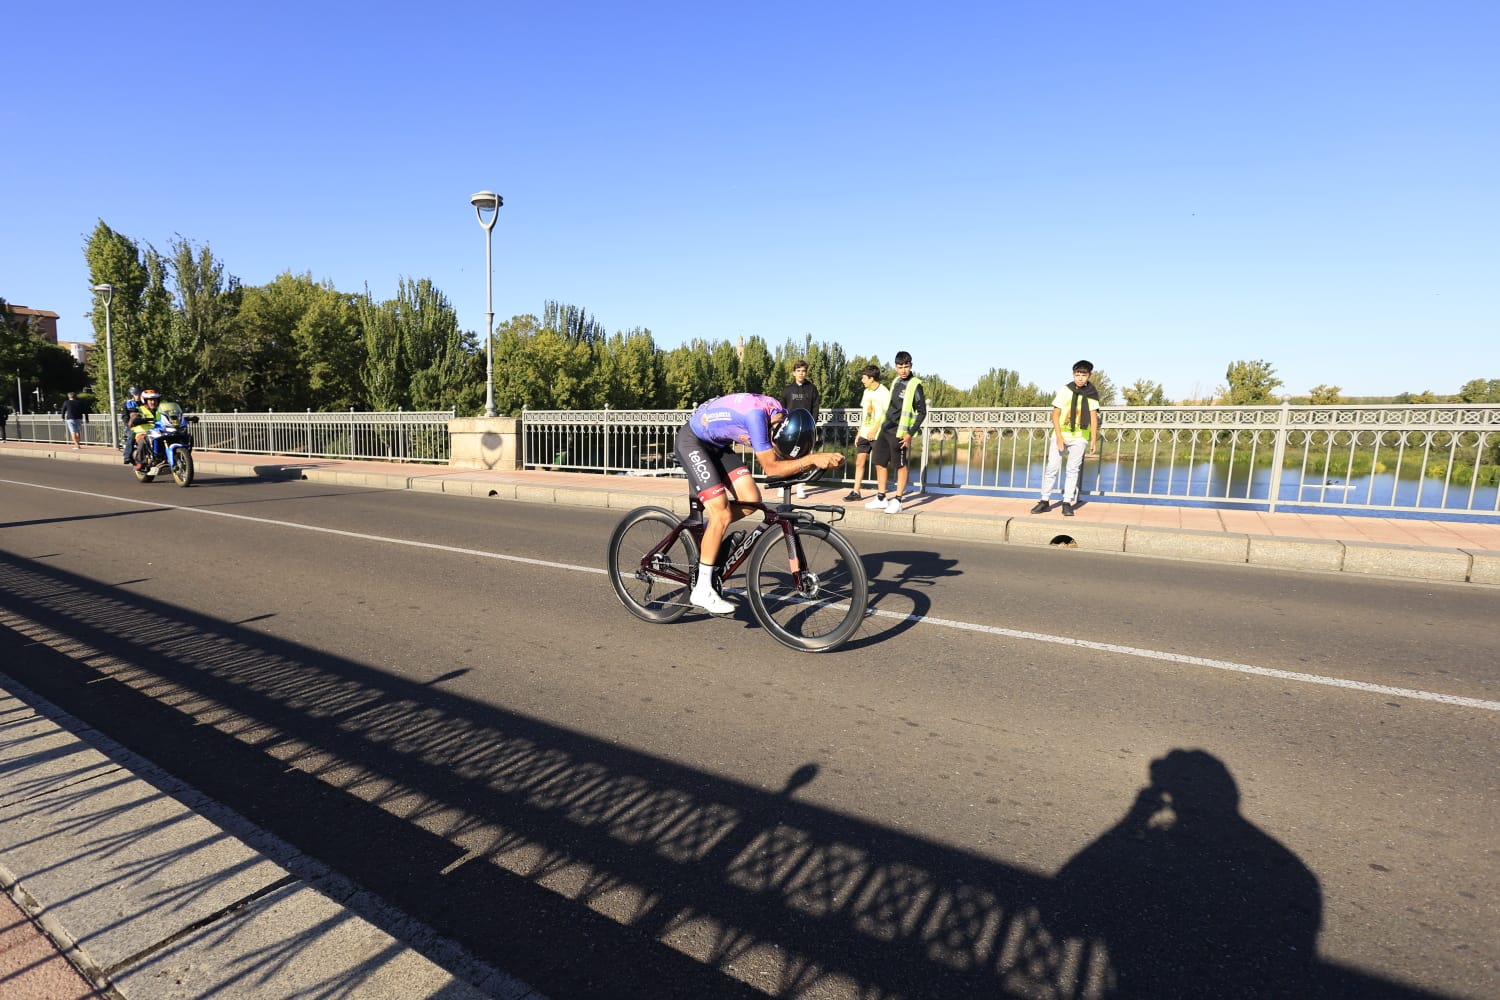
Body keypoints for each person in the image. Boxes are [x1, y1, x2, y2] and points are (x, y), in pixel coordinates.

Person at [674, 393, 844, 614]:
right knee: (722, 514)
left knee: (752, 500)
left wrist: (807, 462)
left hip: (718, 445)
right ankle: (702, 590)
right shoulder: (757, 418)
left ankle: (711, 531)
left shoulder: (779, 416)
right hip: (693, 441)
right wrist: (811, 460)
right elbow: (771, 467)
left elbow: (782, 456)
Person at [1032, 360, 1101, 517]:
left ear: (1089, 375)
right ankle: (1044, 501)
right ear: (1073, 375)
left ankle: (1067, 502)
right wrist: (1058, 437)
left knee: (1072, 470)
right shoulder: (1065, 390)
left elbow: (1093, 417)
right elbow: (1055, 414)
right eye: (1077, 375)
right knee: (1052, 468)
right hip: (1061, 434)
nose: (1080, 378)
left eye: (1083, 375)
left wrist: (1093, 439)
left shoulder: (1091, 393)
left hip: (1080, 436)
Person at [865, 351, 926, 514]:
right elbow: (890, 406)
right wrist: (879, 426)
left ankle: (898, 500)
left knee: (900, 465)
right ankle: (881, 497)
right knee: (879, 462)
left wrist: (909, 434)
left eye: (906, 366)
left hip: (900, 432)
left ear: (911, 366)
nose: (903, 370)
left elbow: (922, 413)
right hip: (886, 428)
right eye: (900, 367)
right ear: (896, 367)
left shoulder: (915, 385)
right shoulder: (896, 381)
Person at [844, 364, 890, 502]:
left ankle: (881, 495)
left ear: (871, 378)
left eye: (864, 378)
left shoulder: (884, 392)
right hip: (864, 433)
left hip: (878, 434)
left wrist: (875, 429)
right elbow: (865, 414)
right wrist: (859, 432)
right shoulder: (867, 392)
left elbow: (888, 414)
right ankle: (856, 491)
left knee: (880, 464)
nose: (861, 380)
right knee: (859, 462)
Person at [778, 359, 821, 500]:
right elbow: (782, 409)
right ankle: (782, 485)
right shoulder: (787, 390)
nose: (801, 374)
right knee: (785, 458)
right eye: (798, 371)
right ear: (793, 373)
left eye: (803, 371)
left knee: (804, 458)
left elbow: (816, 408)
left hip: (807, 430)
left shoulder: (812, 389)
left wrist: (813, 426)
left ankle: (800, 486)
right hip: (789, 429)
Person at [129, 389, 162, 469]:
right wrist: (136, 419)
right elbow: (132, 418)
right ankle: (140, 461)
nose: (153, 402)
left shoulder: (161, 410)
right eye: (150, 400)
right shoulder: (139, 409)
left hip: (159, 432)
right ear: (145, 400)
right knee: (144, 440)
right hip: (143, 433)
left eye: (155, 400)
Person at [120, 386, 142, 464]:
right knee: (131, 436)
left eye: (139, 394)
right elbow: (124, 416)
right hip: (132, 426)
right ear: (132, 395)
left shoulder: (145, 403)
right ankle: (127, 456)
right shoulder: (127, 404)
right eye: (136, 394)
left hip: (145, 424)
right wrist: (129, 424)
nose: (138, 396)